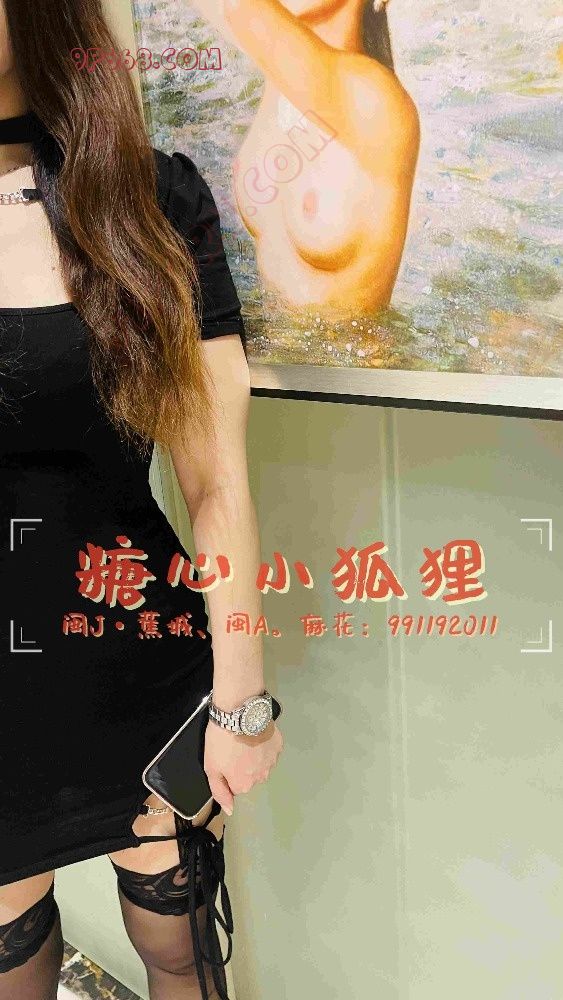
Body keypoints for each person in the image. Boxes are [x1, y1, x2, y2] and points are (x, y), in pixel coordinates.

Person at [0, 1, 283, 999]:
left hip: (136, 659)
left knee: (179, 951)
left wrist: (241, 702)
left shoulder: (151, 197)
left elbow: (215, 478)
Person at [191, 0, 420, 319]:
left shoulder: (372, 96)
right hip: (272, 347)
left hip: (351, 351)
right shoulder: (279, 74)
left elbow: (237, 8)